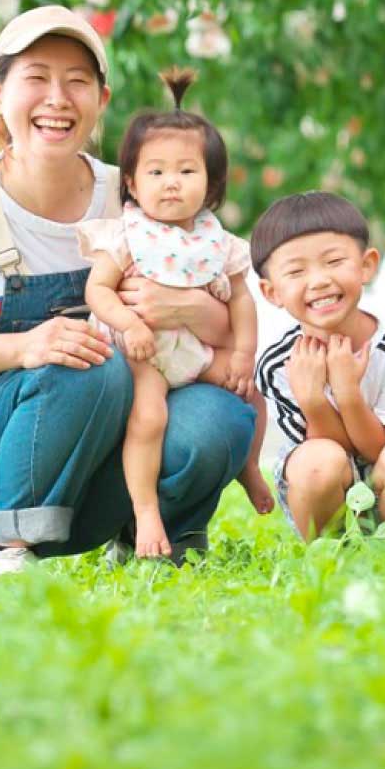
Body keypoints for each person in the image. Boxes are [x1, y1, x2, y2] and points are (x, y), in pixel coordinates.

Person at [0, 6, 256, 577]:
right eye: (37, 78)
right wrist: (24, 347)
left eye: (77, 81)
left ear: (102, 99)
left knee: (219, 412)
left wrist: (190, 308)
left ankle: (150, 536)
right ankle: (12, 552)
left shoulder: (136, 192)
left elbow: (226, 319)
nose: (58, 98)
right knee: (90, 361)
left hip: (93, 471)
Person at [79, 67, 273, 560]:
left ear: (210, 186)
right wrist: (129, 324)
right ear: (131, 182)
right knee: (149, 418)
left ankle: (248, 467)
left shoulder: (217, 242)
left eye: (187, 172)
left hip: (193, 351)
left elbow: (242, 299)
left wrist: (244, 353)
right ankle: (144, 515)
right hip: (143, 354)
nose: (171, 184)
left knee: (250, 396)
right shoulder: (125, 236)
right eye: (156, 172)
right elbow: (97, 291)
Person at [253, 192, 385, 541]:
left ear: (367, 266)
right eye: (296, 271)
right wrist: (312, 401)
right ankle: (329, 549)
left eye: (333, 261)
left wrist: (348, 394)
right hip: (319, 489)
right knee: (317, 462)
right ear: (271, 292)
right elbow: (324, 455)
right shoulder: (277, 363)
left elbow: (380, 451)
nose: (319, 281)